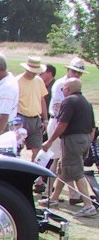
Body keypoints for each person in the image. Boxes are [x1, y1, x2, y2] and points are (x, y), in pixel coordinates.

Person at [39, 78, 97, 216]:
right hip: (84, 139)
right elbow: (93, 127)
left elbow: (62, 124)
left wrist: (49, 141)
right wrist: (88, 141)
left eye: (63, 88)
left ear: (68, 88)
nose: (62, 90)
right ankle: (53, 198)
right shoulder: (86, 102)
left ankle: (88, 205)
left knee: (76, 172)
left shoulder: (69, 101)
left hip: (72, 140)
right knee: (64, 168)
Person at [15, 56, 49, 161]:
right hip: (21, 117)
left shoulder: (39, 80)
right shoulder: (17, 81)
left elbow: (42, 100)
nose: (34, 73)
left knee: (37, 148)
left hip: (35, 118)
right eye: (32, 71)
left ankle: (33, 169)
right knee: (17, 147)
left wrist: (45, 119)